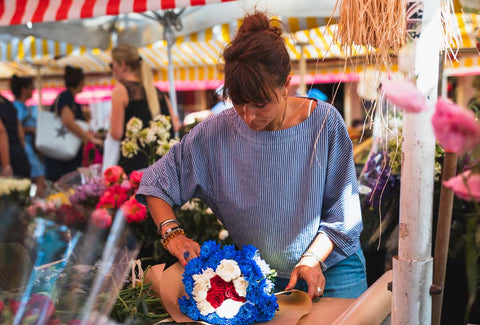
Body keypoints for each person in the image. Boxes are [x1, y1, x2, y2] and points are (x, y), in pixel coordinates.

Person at [136, 12, 366, 299]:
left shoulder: (324, 123)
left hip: (332, 271)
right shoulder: (214, 133)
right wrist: (172, 233)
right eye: (239, 102)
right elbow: (156, 182)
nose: (248, 116)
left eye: (260, 103)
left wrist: (312, 259)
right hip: (262, 277)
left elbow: (343, 216)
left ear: (286, 85)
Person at [108, 44, 181, 174]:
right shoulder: (157, 91)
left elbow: (116, 134)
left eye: (111, 64)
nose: (111, 69)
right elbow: (176, 125)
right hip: (163, 167)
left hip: (135, 169)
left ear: (123, 65)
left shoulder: (121, 90)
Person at [44, 66, 102, 182]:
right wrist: (89, 138)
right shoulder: (66, 97)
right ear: (80, 81)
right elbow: (68, 121)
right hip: (62, 158)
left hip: (65, 155)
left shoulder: (69, 98)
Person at [10, 75, 47, 197]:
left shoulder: (20, 106)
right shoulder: (17, 107)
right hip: (25, 147)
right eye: (31, 87)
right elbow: (16, 127)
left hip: (27, 147)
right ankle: (36, 208)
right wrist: (31, 130)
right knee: (39, 178)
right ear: (23, 89)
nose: (34, 90)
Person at [0, 94, 30, 177]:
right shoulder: (7, 103)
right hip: (18, 154)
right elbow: (21, 133)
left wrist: (6, 165)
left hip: (5, 160)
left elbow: (1, 131)